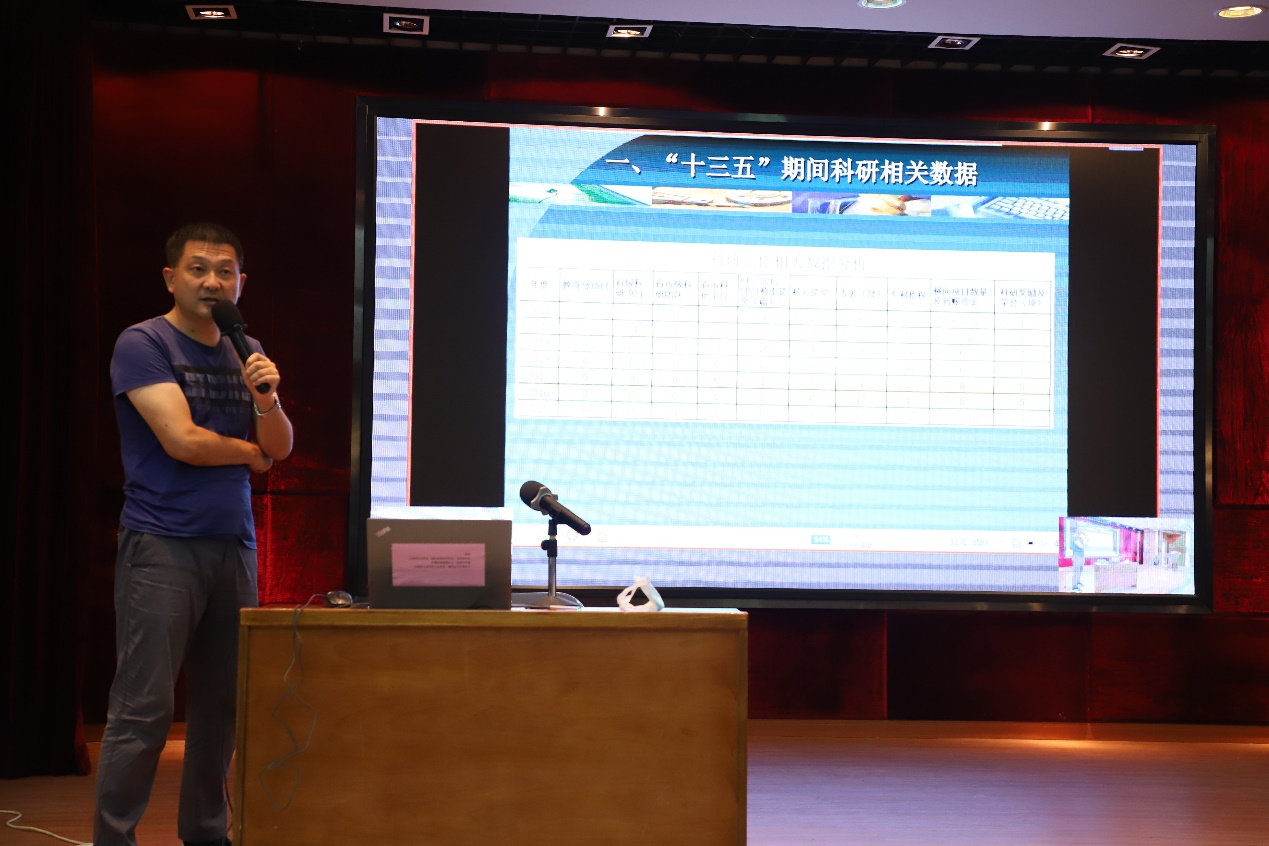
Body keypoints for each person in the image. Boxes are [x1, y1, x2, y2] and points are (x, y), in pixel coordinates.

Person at [94, 223, 293, 846]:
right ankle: (114, 838)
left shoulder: (246, 348)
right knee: (144, 708)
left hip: (233, 545)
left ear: (241, 282)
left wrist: (266, 399)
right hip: (161, 543)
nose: (213, 282)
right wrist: (249, 453)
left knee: (221, 708)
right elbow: (181, 440)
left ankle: (207, 834)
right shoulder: (143, 342)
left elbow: (281, 446)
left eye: (225, 271)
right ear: (171, 277)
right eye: (199, 269)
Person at [1069, 522, 1089, 593]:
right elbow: (1081, 546)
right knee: (1076, 571)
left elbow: (1084, 546)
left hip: (1081, 555)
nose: (1081, 530)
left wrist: (1085, 542)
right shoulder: (1075, 536)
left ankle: (1078, 582)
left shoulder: (1080, 537)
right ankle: (1074, 587)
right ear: (1076, 529)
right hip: (1077, 556)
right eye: (1080, 528)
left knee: (1080, 570)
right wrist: (1085, 543)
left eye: (1082, 528)